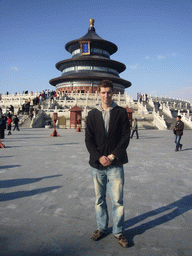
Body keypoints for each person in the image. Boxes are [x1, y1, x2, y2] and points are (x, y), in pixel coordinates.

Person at [85, 80, 130, 248]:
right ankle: (101, 228)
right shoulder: (92, 114)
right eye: (103, 92)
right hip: (97, 165)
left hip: (116, 163)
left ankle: (118, 231)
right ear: (98, 93)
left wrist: (111, 156)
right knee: (99, 199)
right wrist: (99, 157)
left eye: (109, 92)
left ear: (113, 93)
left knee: (117, 200)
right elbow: (88, 140)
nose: (106, 95)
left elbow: (125, 138)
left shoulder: (120, 112)